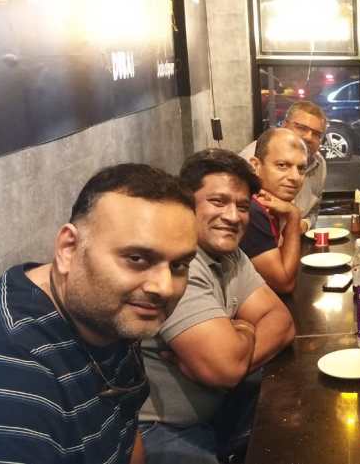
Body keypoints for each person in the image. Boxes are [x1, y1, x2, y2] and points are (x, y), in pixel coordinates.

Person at [0, 164, 199, 464]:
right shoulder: (1, 367)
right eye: (137, 258)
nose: (164, 287)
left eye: (179, 265)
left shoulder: (110, 313)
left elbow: (126, 435)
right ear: (68, 248)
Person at [139, 149, 297, 464]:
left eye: (242, 206)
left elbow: (282, 323)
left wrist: (235, 346)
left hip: (218, 407)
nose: (233, 216)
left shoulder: (230, 254)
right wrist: (245, 330)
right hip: (163, 428)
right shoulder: (176, 262)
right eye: (218, 201)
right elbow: (223, 368)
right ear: (187, 204)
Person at [241, 128, 307, 294]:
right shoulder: (251, 209)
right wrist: (294, 216)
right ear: (256, 166)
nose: (295, 177)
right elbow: (284, 284)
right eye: (282, 165)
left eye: (301, 168)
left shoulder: (273, 203)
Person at [239, 101, 328, 223]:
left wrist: (304, 224)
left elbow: (314, 209)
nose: (308, 137)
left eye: (317, 134)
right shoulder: (251, 158)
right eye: (301, 128)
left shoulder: (319, 164)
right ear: (284, 125)